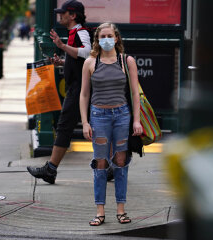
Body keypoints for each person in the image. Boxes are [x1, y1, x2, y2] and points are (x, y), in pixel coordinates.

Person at [79, 22, 143, 226]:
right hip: (99, 115)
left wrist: (136, 120)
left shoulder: (127, 61)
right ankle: (100, 211)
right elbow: (84, 94)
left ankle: (121, 210)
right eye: (102, 36)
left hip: (122, 115)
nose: (106, 39)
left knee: (121, 161)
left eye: (110, 35)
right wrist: (85, 122)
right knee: (100, 162)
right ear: (98, 40)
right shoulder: (90, 63)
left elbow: (135, 93)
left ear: (116, 38)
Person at [27, 0, 91, 184]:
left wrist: (62, 47)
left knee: (65, 126)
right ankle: (111, 166)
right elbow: (78, 58)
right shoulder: (74, 33)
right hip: (77, 88)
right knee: (77, 126)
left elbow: (87, 53)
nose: (59, 15)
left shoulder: (82, 32)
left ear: (73, 16)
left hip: (81, 89)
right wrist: (63, 62)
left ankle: (51, 169)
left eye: (63, 13)